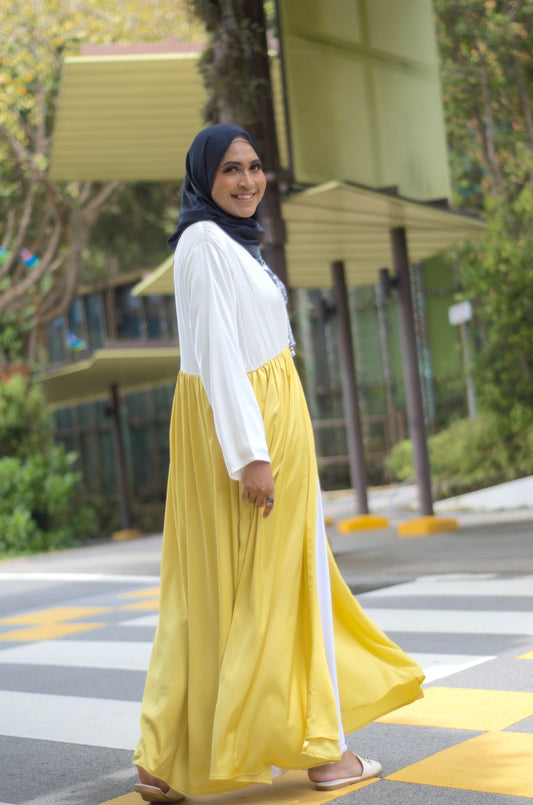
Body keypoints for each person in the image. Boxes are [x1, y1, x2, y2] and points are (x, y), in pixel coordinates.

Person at [132, 124, 424, 803]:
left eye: (254, 166)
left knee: (223, 594)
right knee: (278, 591)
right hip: (250, 434)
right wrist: (251, 456)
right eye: (230, 169)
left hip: (259, 423)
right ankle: (323, 752)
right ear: (203, 178)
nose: (247, 180)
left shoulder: (226, 241)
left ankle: (165, 758)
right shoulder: (205, 244)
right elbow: (219, 354)